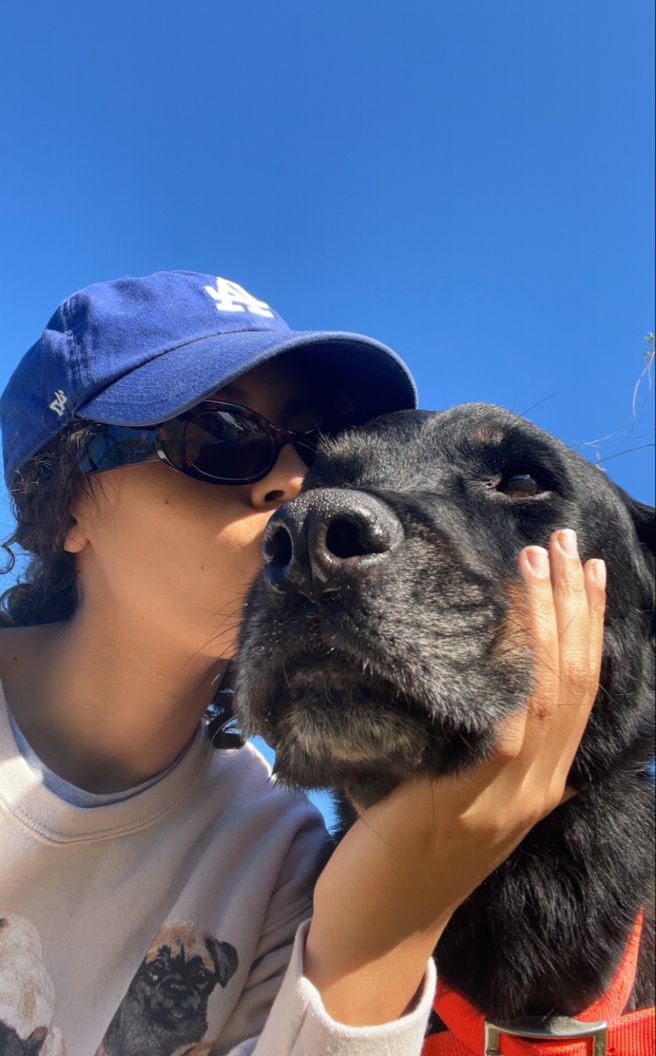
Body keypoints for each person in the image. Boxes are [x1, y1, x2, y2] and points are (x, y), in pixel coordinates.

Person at [0, 270, 605, 1055]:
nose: (296, 486)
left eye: (317, 454)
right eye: (219, 437)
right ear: (67, 504)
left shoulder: (278, 855)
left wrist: (387, 916)